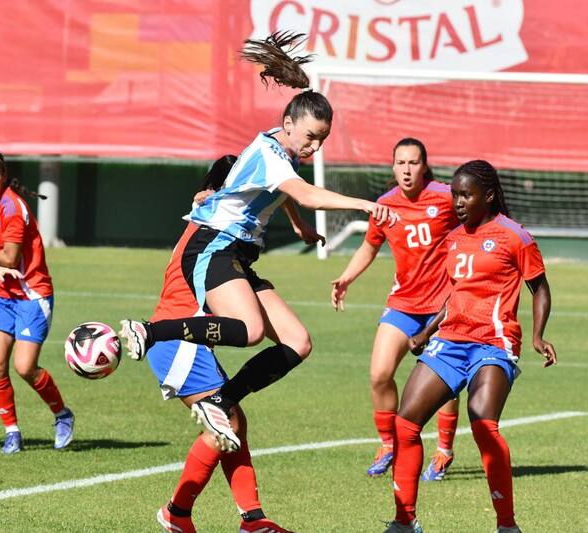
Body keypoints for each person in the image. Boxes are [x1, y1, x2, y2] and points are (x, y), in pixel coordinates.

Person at [119, 31, 390, 453]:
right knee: (248, 331)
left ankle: (222, 401)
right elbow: (301, 191)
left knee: (298, 342)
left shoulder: (281, 150)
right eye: (311, 136)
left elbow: (277, 192)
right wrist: (363, 204)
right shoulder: (271, 154)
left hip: (237, 253)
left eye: (322, 139)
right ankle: (149, 331)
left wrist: (297, 226)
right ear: (288, 125)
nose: (315, 146)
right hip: (212, 245)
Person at [383, 160, 557, 533]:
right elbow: (454, 295)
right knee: (406, 423)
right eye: (456, 195)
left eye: (466, 195)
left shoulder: (515, 236)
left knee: (482, 421)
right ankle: (404, 522)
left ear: (488, 195)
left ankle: (507, 526)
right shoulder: (454, 238)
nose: (458, 202)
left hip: (493, 343)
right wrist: (426, 332)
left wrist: (539, 335)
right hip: (450, 341)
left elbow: (539, 288)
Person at [148, 155, 295, 533]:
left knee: (233, 420)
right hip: (179, 339)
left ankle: (252, 519)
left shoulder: (224, 227)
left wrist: (299, 222)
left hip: (191, 337)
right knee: (225, 422)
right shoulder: (212, 221)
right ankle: (176, 513)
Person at [330, 138, 461, 480]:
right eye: (400, 163)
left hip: (443, 307)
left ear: (424, 166)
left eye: (413, 163)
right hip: (403, 303)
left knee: (444, 382)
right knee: (379, 374)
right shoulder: (384, 206)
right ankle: (388, 444)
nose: (406, 169)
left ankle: (444, 451)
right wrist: (345, 278)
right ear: (393, 167)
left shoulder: (445, 197)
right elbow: (369, 247)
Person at [0, 148, 74, 454]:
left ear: (4, 177)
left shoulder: (13, 207)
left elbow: (11, 258)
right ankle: (12, 432)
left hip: (33, 294)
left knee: (25, 367)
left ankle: (62, 414)